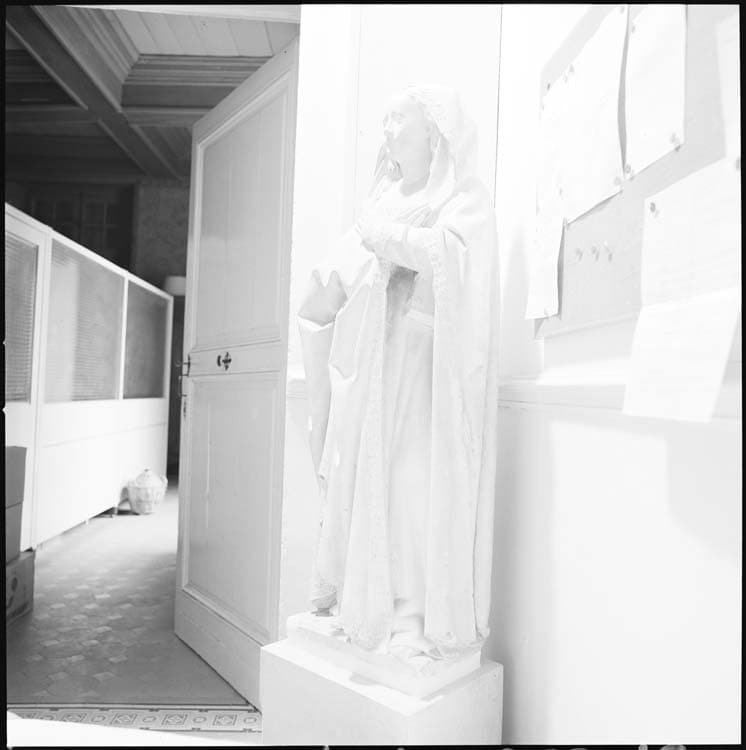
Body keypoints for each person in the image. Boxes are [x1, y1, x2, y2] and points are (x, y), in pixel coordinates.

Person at [298, 85, 500, 663]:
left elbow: (456, 260)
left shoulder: (461, 197)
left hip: (423, 363)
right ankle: (360, 601)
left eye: (397, 119)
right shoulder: (381, 201)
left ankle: (410, 615)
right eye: (384, 120)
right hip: (372, 363)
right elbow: (345, 270)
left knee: (412, 484)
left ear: (432, 131)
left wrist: (389, 239)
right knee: (360, 476)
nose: (385, 131)